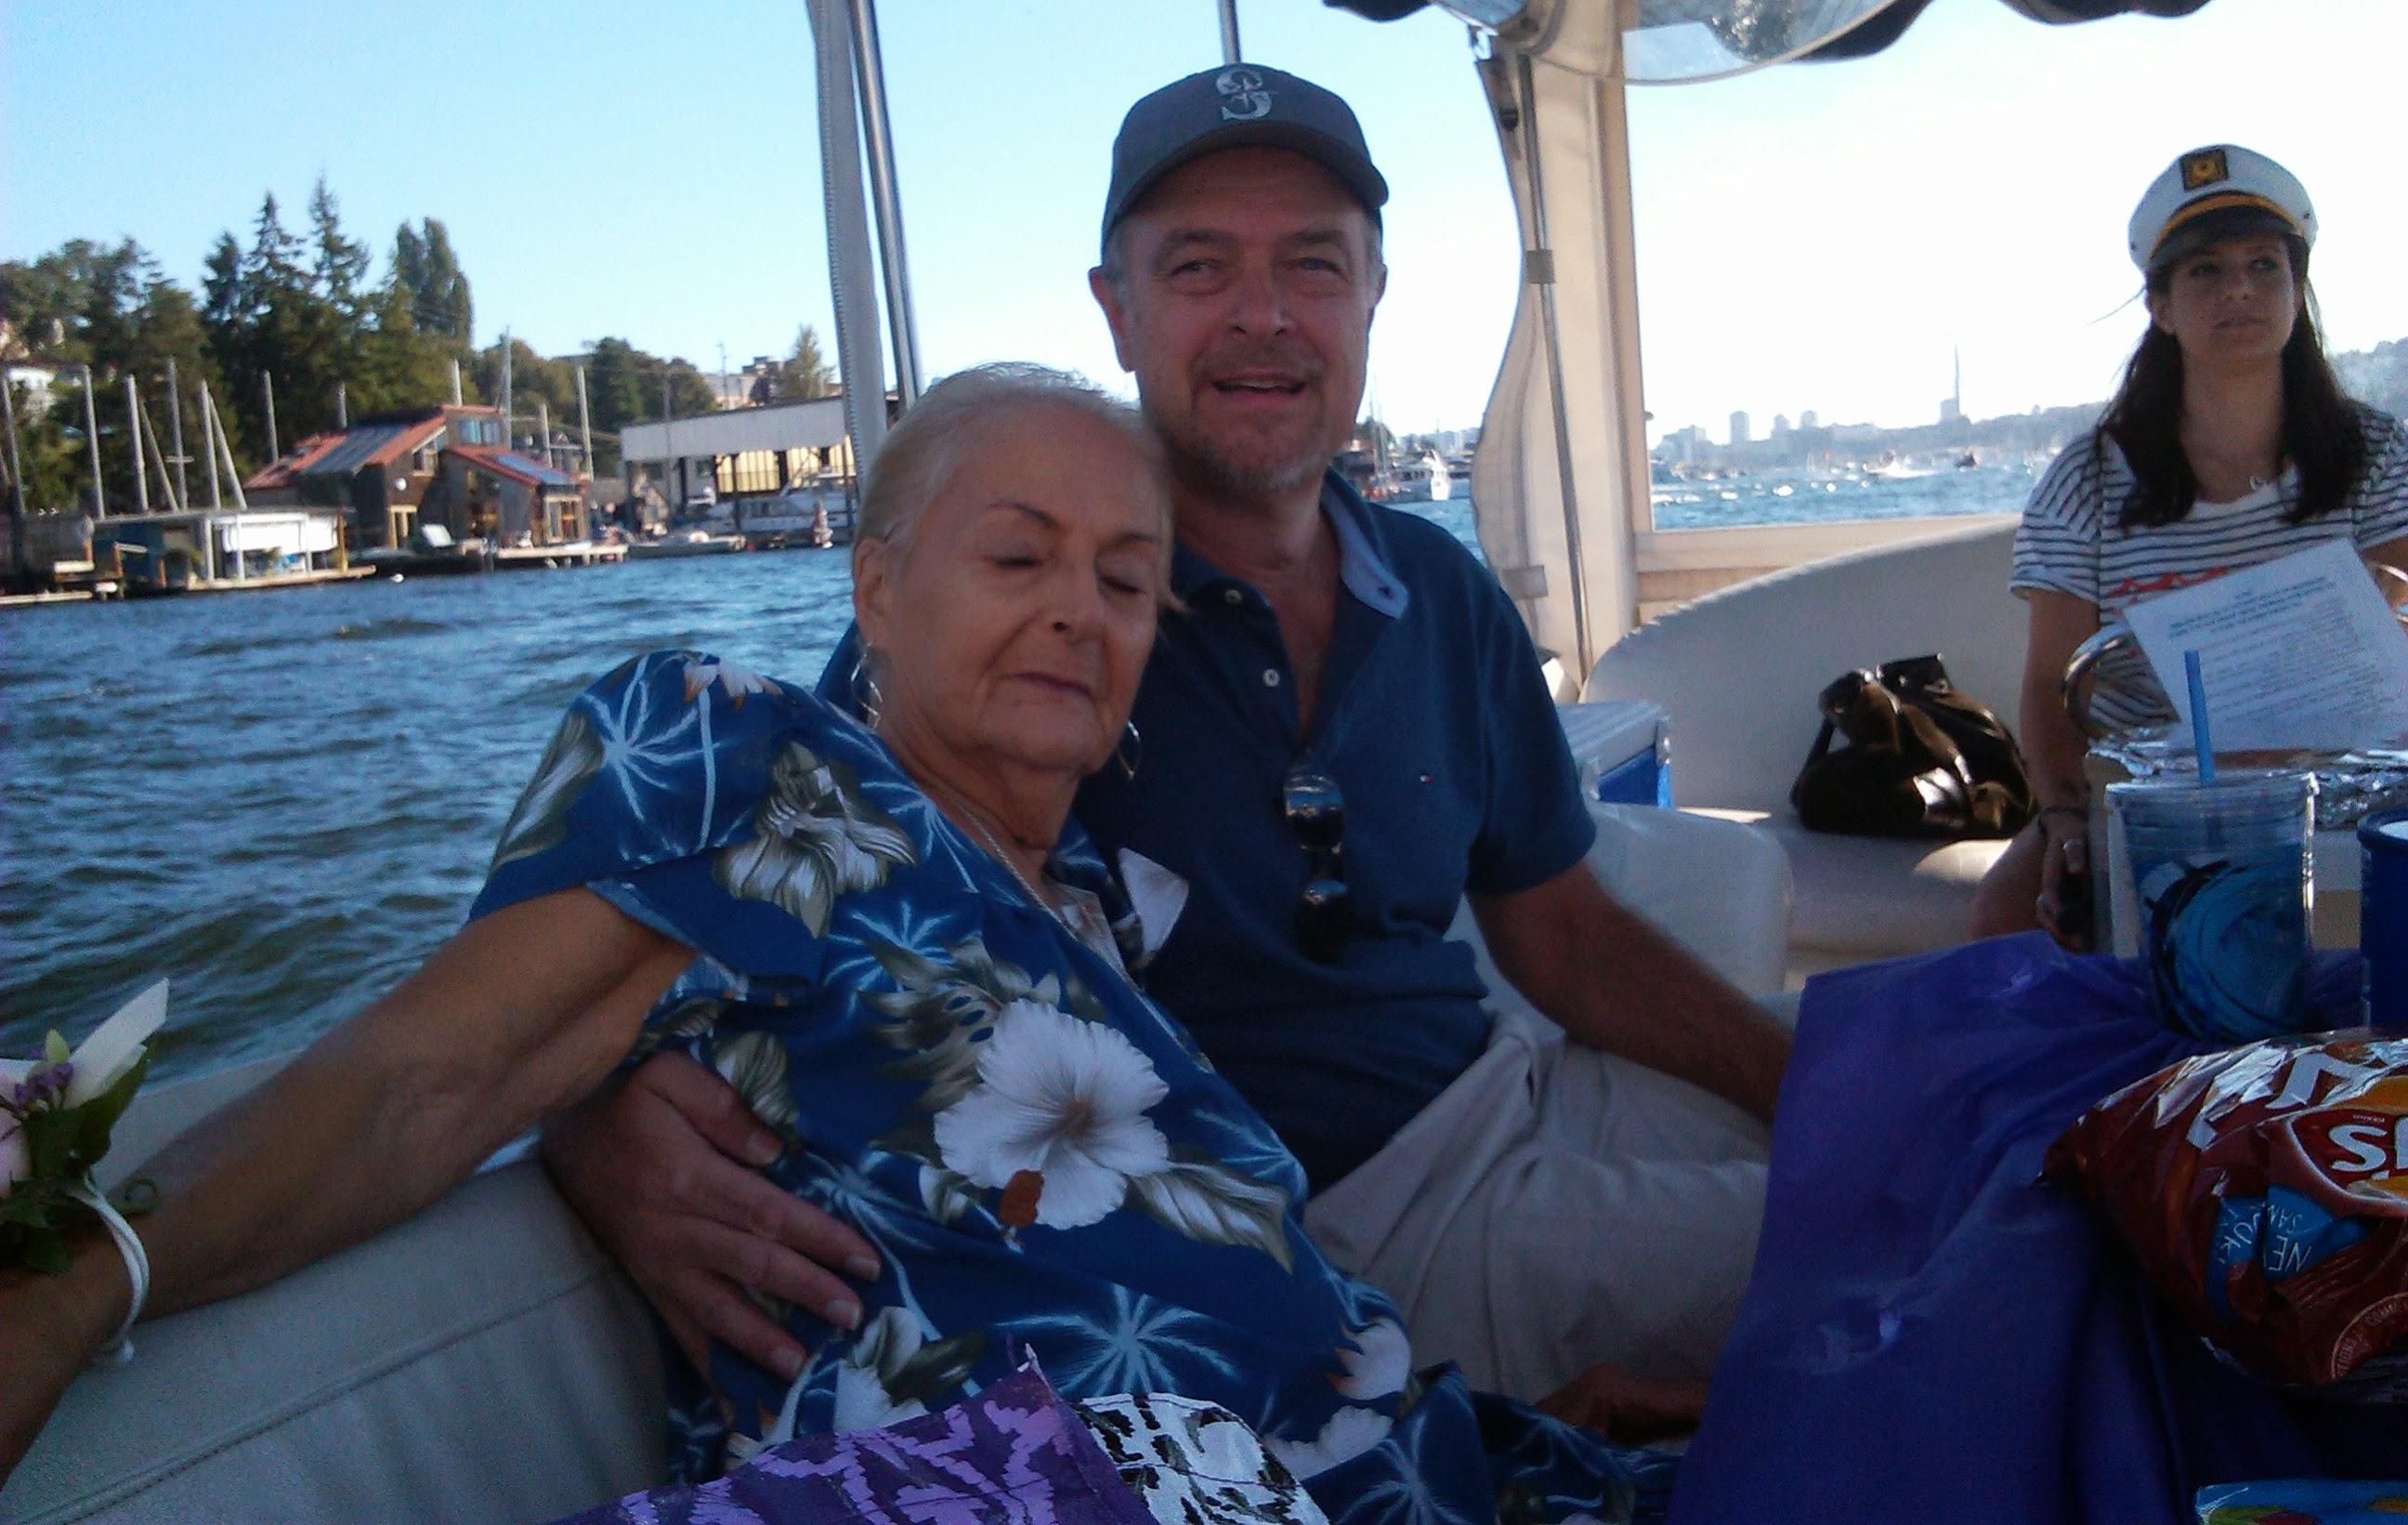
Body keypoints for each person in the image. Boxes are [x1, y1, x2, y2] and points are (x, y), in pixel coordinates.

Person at [0, 366, 1669, 1522]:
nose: (1082, 607)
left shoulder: (1101, 892)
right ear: (874, 587)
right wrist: (73, 1287)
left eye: (1129, 578)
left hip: (1427, 1463)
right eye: (1017, 554)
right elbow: (417, 1079)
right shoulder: (752, 766)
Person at [546, 64, 1794, 1413]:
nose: (1264, 316)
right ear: (1116, 310)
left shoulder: (1438, 592)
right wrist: (587, 1124)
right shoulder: (1026, 628)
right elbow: (757, 924)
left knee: (1940, 1095)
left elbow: (1567, 937)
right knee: (1937, 1219)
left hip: (1520, 1087)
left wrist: (1810, 1087)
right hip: (1359, 1228)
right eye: (1200, 267)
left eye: (1313, 265)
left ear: (1374, 293)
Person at [1973, 144, 2408, 939]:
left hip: (2355, 783)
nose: (2239, 287)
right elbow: (2047, 687)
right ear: (2162, 307)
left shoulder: (2376, 455)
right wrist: (2066, 819)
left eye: (2264, 266)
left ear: (2297, 292)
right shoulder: (2087, 482)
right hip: (2147, 792)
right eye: (2205, 270)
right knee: (1999, 923)